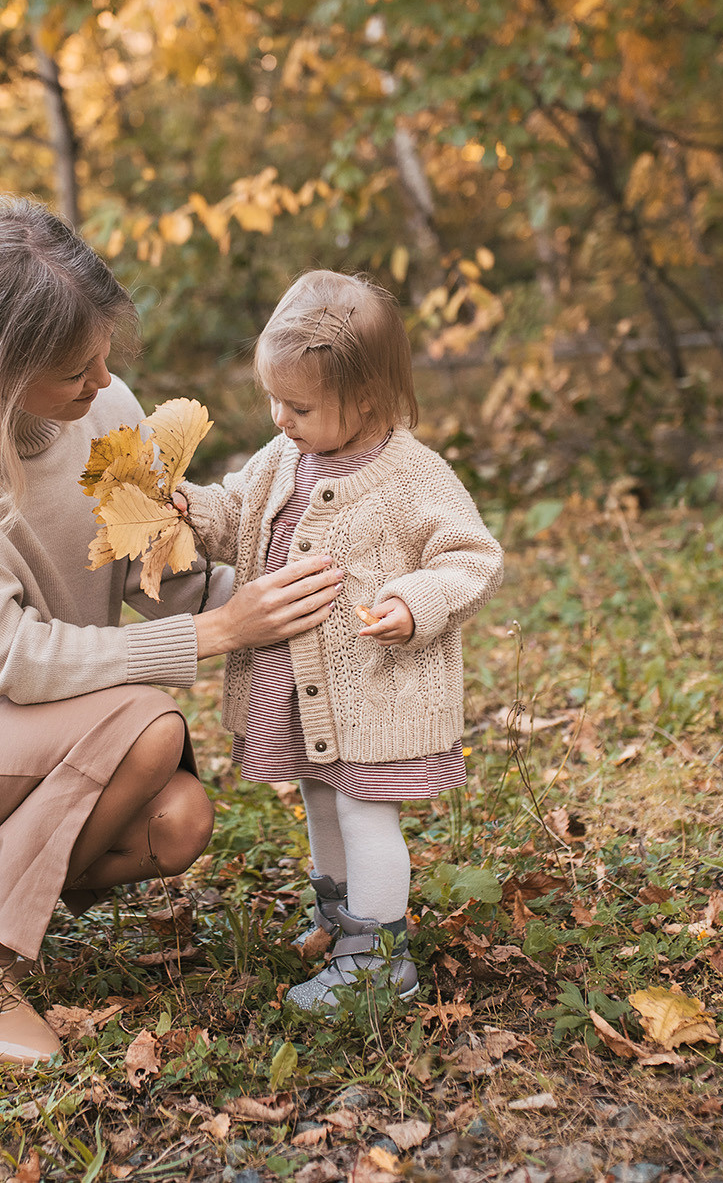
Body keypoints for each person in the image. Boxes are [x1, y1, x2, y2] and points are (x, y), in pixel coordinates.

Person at [0, 197, 345, 1065]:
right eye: (71, 371)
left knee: (179, 821)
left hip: (31, 733)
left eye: (102, 357)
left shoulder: (107, 406)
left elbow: (154, 575)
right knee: (145, 723)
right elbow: (13, 658)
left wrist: (301, 598)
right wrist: (218, 634)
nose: (99, 385)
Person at [174, 271, 503, 1012]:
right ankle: (341, 923)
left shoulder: (411, 473)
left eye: (299, 405)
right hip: (303, 685)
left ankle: (382, 959)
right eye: (274, 400)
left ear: (366, 399)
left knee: (364, 809)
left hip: (376, 689)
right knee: (319, 798)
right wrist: (191, 508)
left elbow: (472, 558)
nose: (279, 417)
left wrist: (415, 603)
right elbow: (236, 516)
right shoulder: (281, 457)